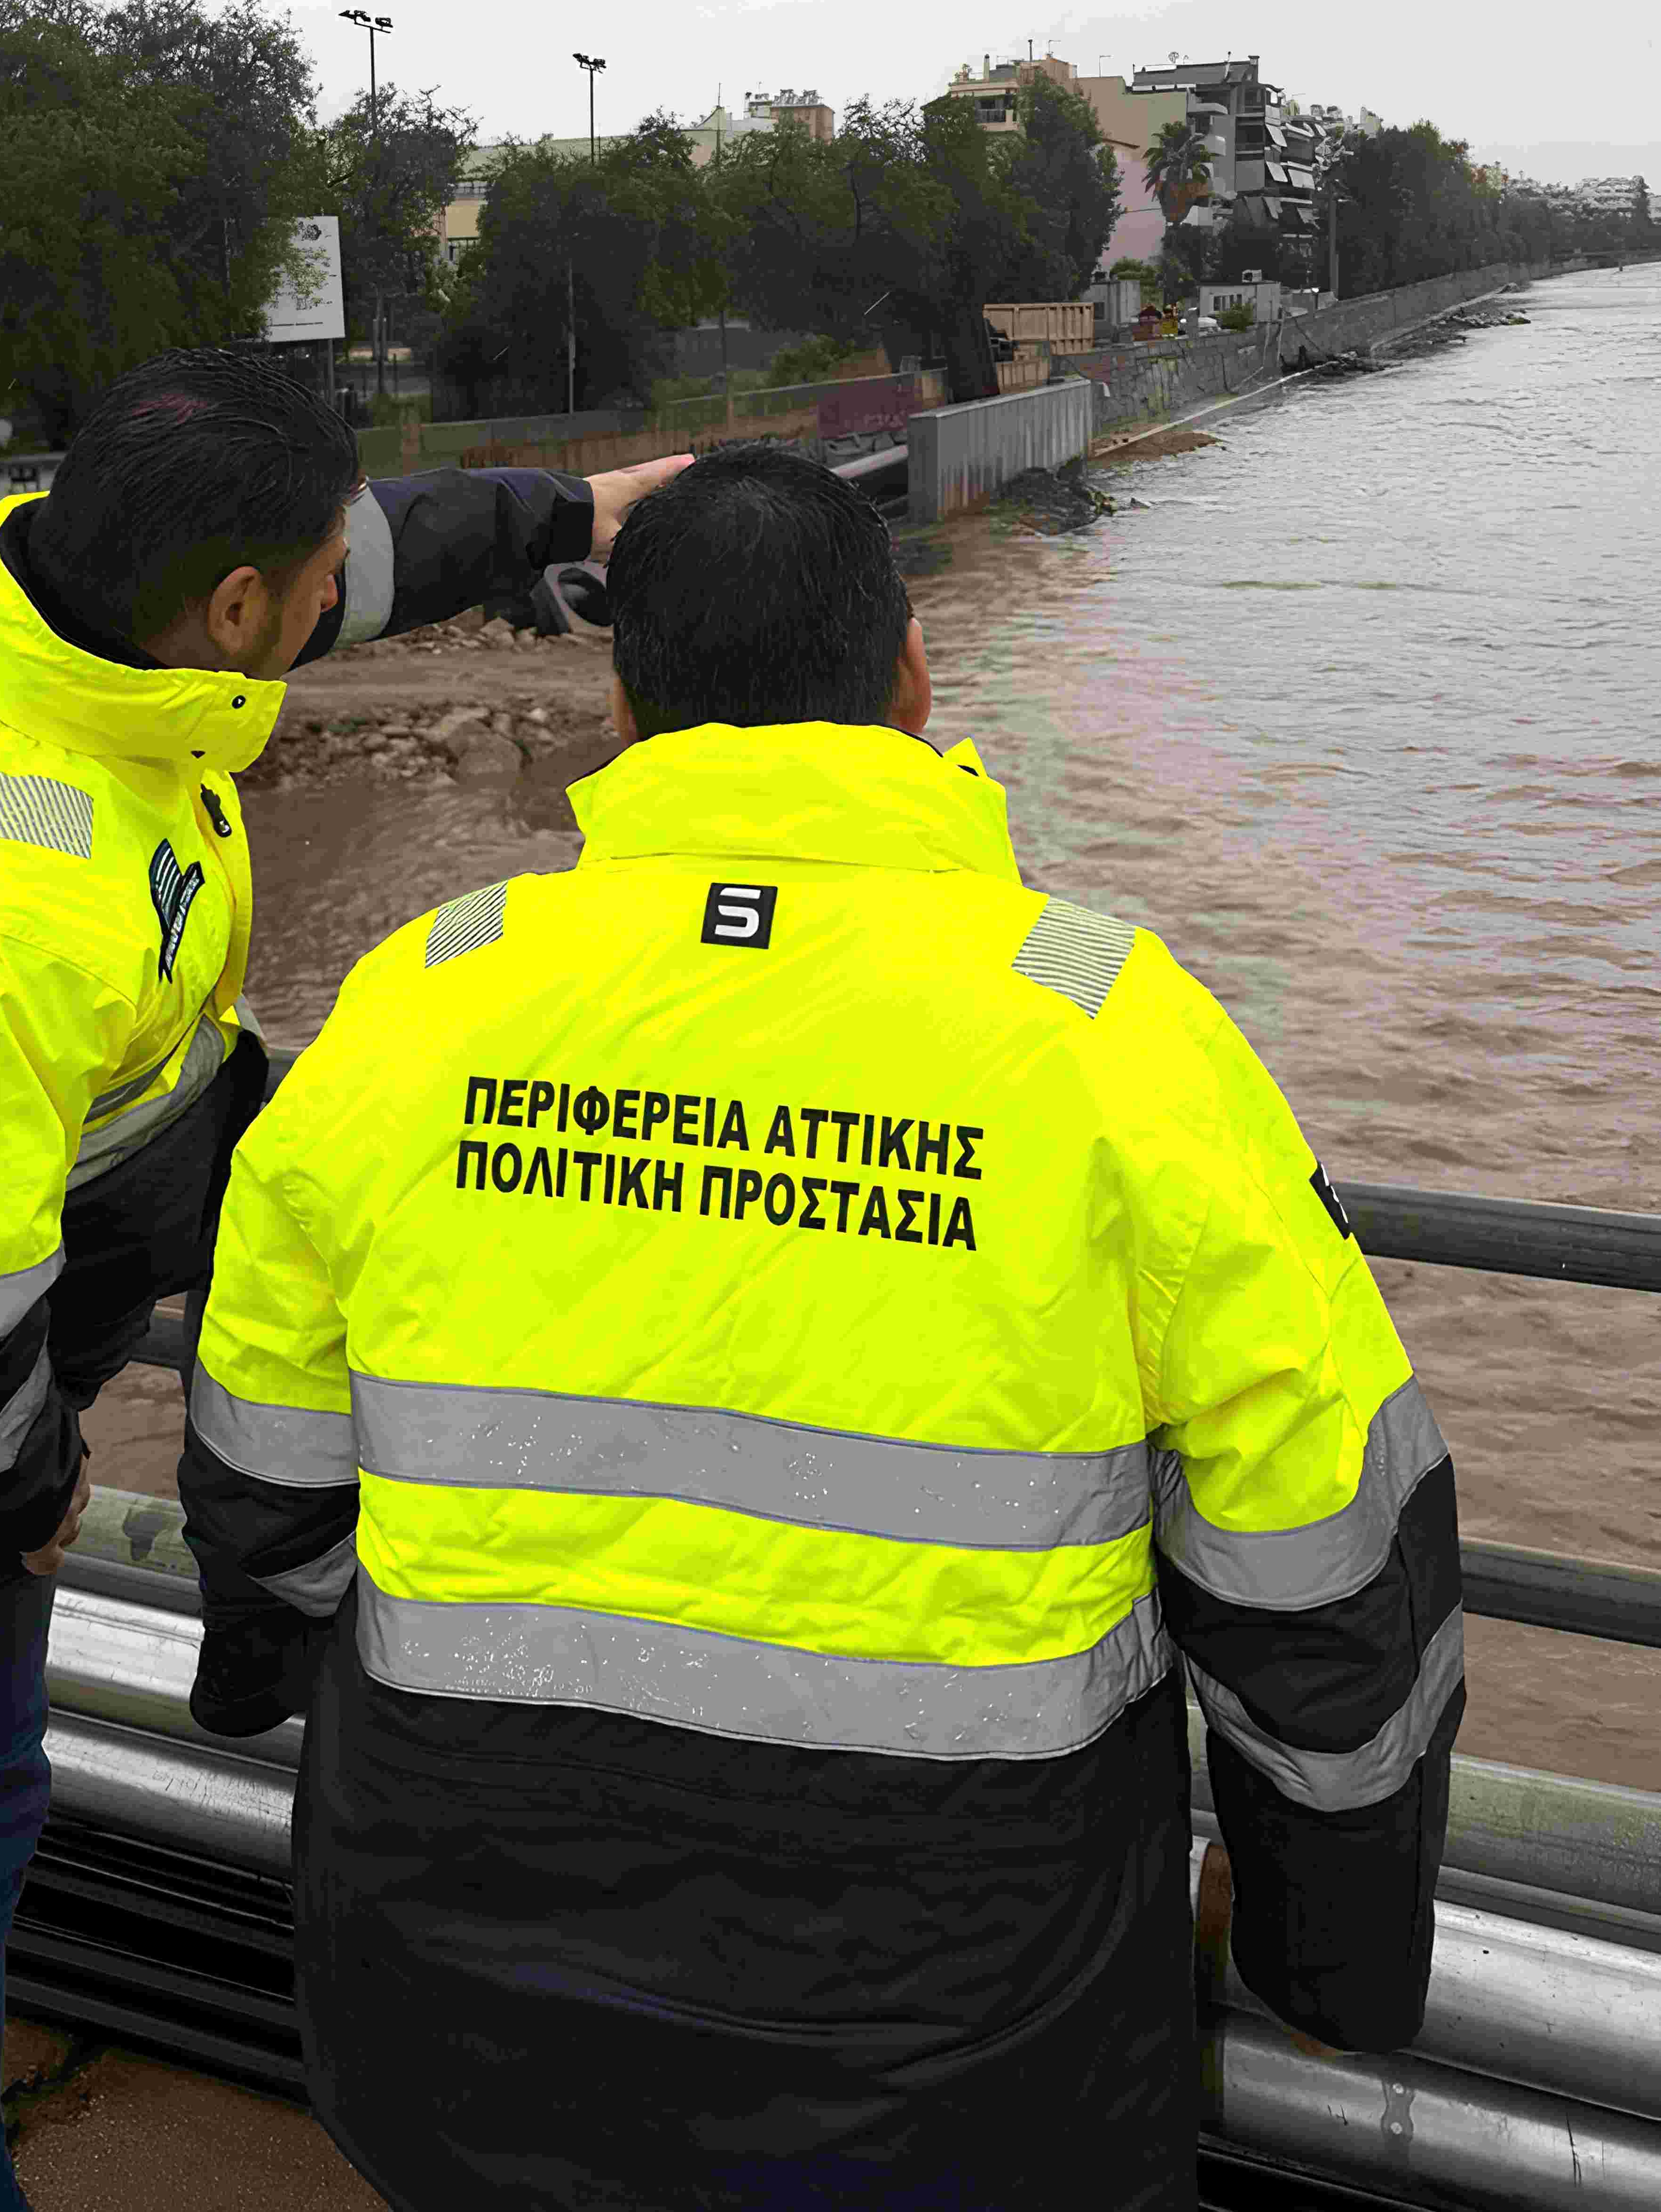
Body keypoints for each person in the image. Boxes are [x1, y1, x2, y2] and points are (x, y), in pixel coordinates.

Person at [180, 439, 1462, 2212]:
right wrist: (1331, 1957)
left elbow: (264, 1479)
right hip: (964, 2051)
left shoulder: (419, 1002)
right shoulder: (1116, 1042)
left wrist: (265, 1697)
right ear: (913, 675)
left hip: (461, 1999)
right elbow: (1325, 1579)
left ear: (626, 697)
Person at [0, 344, 686, 2212]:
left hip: (80, 1154)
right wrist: (29, 1483)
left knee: (383, 1251)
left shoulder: (13, 579)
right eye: (305, 593)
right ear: (230, 610)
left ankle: (267, 1610)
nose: (334, 603)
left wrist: (562, 518)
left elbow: (334, 559)